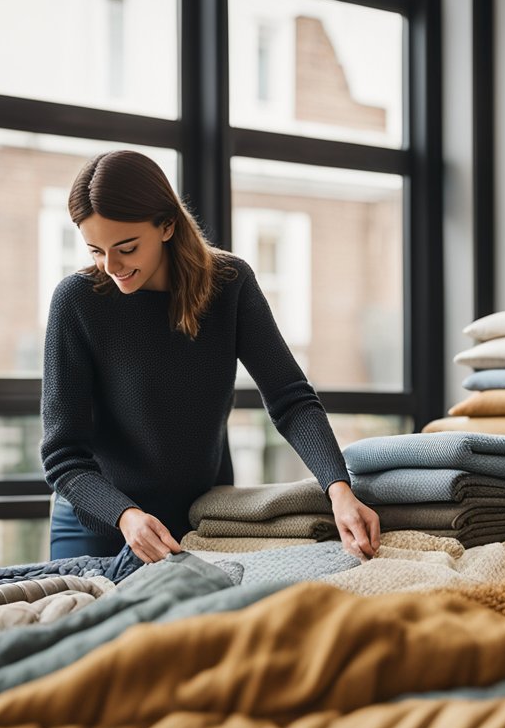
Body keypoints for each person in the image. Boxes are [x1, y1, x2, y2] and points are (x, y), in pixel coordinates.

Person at [41, 150, 381, 564]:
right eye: (96, 250)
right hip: (100, 523)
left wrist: (338, 489)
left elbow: (290, 397)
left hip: (202, 520)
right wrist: (125, 516)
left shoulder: (230, 285)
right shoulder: (76, 300)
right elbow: (64, 456)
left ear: (167, 224)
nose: (111, 266)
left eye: (126, 248)